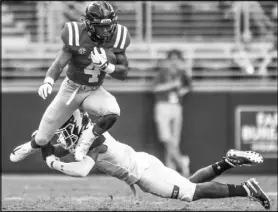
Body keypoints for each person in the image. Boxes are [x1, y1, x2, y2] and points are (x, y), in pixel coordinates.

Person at [10, 109, 271, 210]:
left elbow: (81, 171)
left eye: (63, 126)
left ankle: (245, 189)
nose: (61, 131)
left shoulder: (94, 141)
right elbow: (57, 150)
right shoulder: (85, 135)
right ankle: (228, 162)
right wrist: (42, 144)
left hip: (143, 174)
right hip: (143, 161)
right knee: (188, 184)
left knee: (190, 193)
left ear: (75, 124)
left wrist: (52, 164)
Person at [10, 1, 131, 162]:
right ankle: (32, 145)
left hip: (94, 90)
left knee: (112, 111)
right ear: (88, 24)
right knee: (42, 139)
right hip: (71, 89)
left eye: (108, 25)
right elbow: (59, 63)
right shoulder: (75, 33)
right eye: (100, 26)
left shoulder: (118, 36)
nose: (105, 30)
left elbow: (123, 73)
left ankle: (84, 143)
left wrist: (107, 67)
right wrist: (48, 81)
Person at [153, 49, 192, 176]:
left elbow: (187, 87)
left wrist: (182, 90)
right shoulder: (162, 73)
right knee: (165, 137)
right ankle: (181, 162)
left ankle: (171, 169)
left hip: (176, 106)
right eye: (172, 59)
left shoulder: (182, 73)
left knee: (174, 140)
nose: (174, 62)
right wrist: (172, 84)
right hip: (163, 105)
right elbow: (156, 88)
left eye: (177, 59)